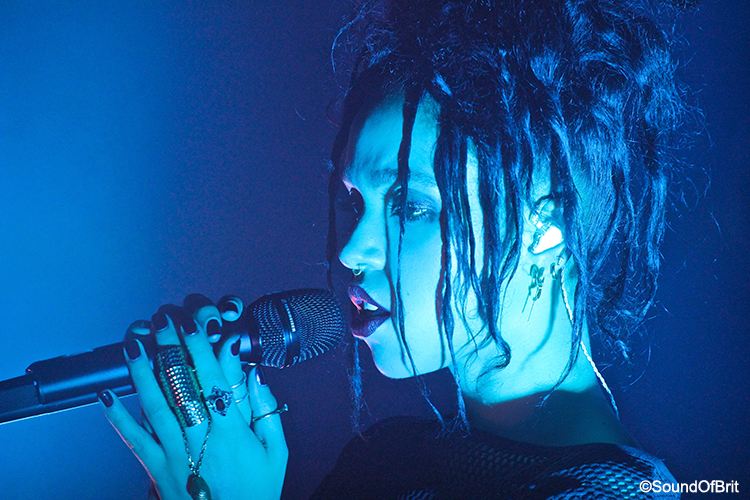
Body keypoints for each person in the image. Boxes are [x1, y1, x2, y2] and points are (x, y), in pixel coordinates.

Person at [98, 0, 691, 498]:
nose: (352, 250)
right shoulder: (387, 460)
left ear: (546, 226)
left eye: (410, 206)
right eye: (355, 201)